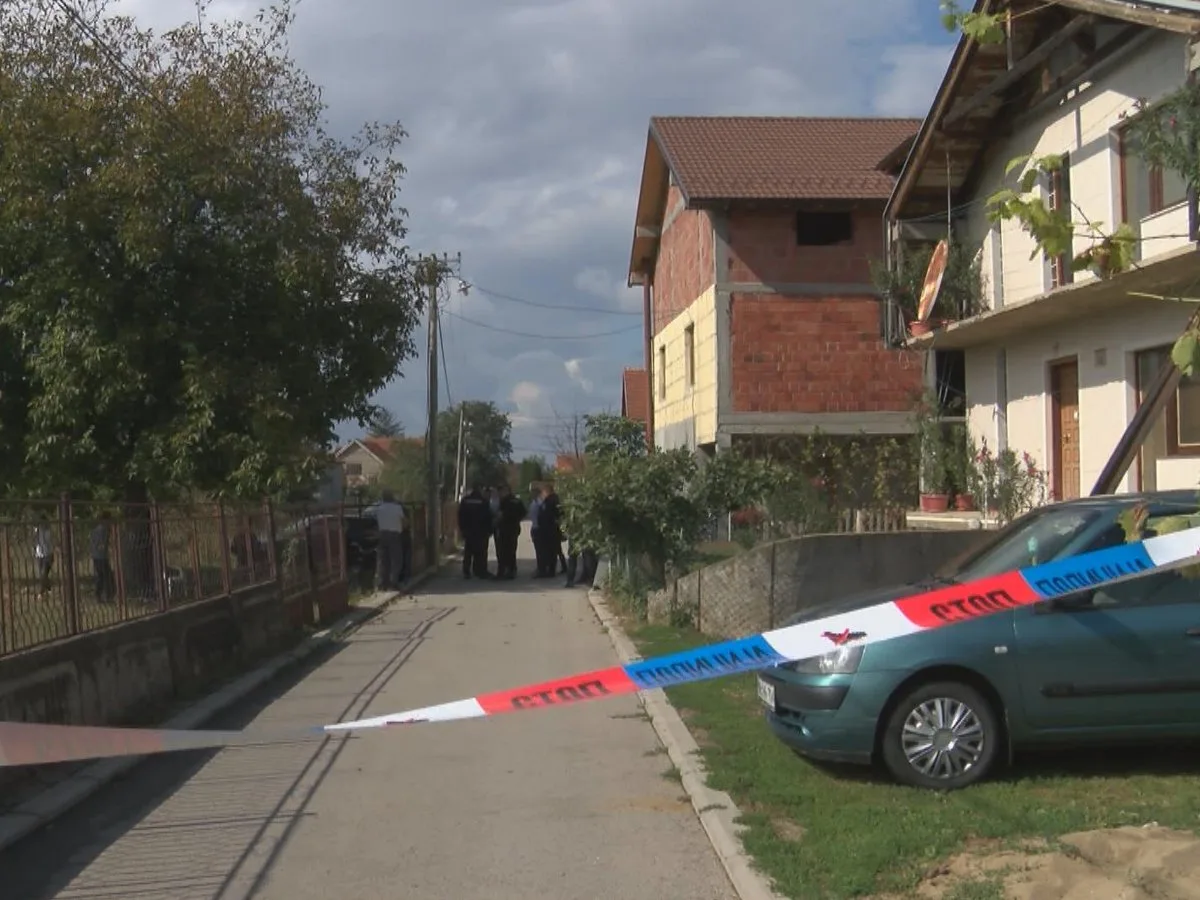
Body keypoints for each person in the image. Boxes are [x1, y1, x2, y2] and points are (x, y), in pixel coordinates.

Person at [457, 483, 492, 578]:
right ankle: (480, 570)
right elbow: (488, 517)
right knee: (480, 552)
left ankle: (466, 571)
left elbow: (460, 515)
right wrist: (489, 530)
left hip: (468, 530)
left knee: (468, 552)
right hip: (480, 531)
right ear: (479, 490)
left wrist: (462, 529)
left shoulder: (465, 500)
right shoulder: (483, 501)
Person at [375, 490, 406, 590]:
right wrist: (403, 527)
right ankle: (394, 582)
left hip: (382, 534)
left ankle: (382, 582)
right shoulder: (397, 508)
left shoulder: (379, 508)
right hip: (394, 535)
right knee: (396, 559)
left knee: (383, 559)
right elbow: (404, 521)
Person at [494, 484, 526, 579]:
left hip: (504, 528)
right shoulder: (517, 500)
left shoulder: (504, 501)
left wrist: (497, 522)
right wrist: (517, 519)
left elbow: (500, 514)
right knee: (512, 550)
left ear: (506, 491)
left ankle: (502, 571)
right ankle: (512, 570)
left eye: (502, 491)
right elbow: (524, 512)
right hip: (514, 528)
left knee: (502, 551)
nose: (500, 493)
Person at [535, 487, 564, 578]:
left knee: (549, 551)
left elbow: (546, 515)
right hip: (552, 529)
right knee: (554, 551)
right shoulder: (555, 501)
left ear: (546, 492)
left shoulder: (549, 501)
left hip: (548, 530)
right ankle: (551, 570)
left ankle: (549, 570)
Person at [90, 511, 116, 603]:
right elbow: (102, 543)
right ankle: (108, 596)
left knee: (101, 576)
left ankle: (99, 595)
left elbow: (93, 542)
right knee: (107, 576)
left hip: (96, 556)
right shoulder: (104, 530)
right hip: (101, 556)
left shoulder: (95, 529)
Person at [33, 513, 54, 597]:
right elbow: (34, 541)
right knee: (42, 574)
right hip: (39, 554)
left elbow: (49, 541)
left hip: (47, 554)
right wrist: (36, 533)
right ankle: (48, 589)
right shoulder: (36, 530)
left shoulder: (48, 531)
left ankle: (41, 592)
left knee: (43, 573)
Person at [528, 487, 544, 578]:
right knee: (537, 550)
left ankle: (541, 569)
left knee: (540, 550)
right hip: (534, 526)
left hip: (538, 528)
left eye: (533, 493)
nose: (531, 495)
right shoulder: (533, 502)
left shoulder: (539, 502)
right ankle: (539, 567)